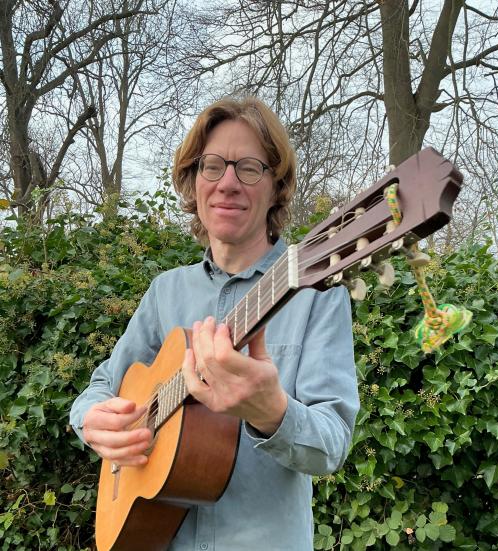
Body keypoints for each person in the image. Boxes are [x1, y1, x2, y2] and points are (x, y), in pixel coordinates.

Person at [70, 97, 359, 550]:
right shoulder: (165, 292)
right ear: (193, 181)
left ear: (275, 185)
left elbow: (333, 443)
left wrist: (271, 411)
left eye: (248, 167)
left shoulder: (316, 295)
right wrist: (91, 419)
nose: (227, 183)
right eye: (212, 166)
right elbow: (103, 384)